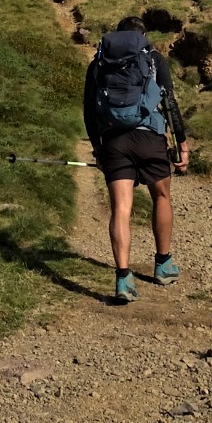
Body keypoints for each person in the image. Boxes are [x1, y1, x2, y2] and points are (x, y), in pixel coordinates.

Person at [84, 16, 189, 304]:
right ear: (143, 36)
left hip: (114, 141)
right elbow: (170, 103)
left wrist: (98, 148)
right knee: (161, 197)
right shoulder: (154, 59)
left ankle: (123, 279)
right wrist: (182, 143)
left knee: (121, 207)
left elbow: (89, 110)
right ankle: (163, 265)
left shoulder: (100, 62)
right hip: (150, 137)